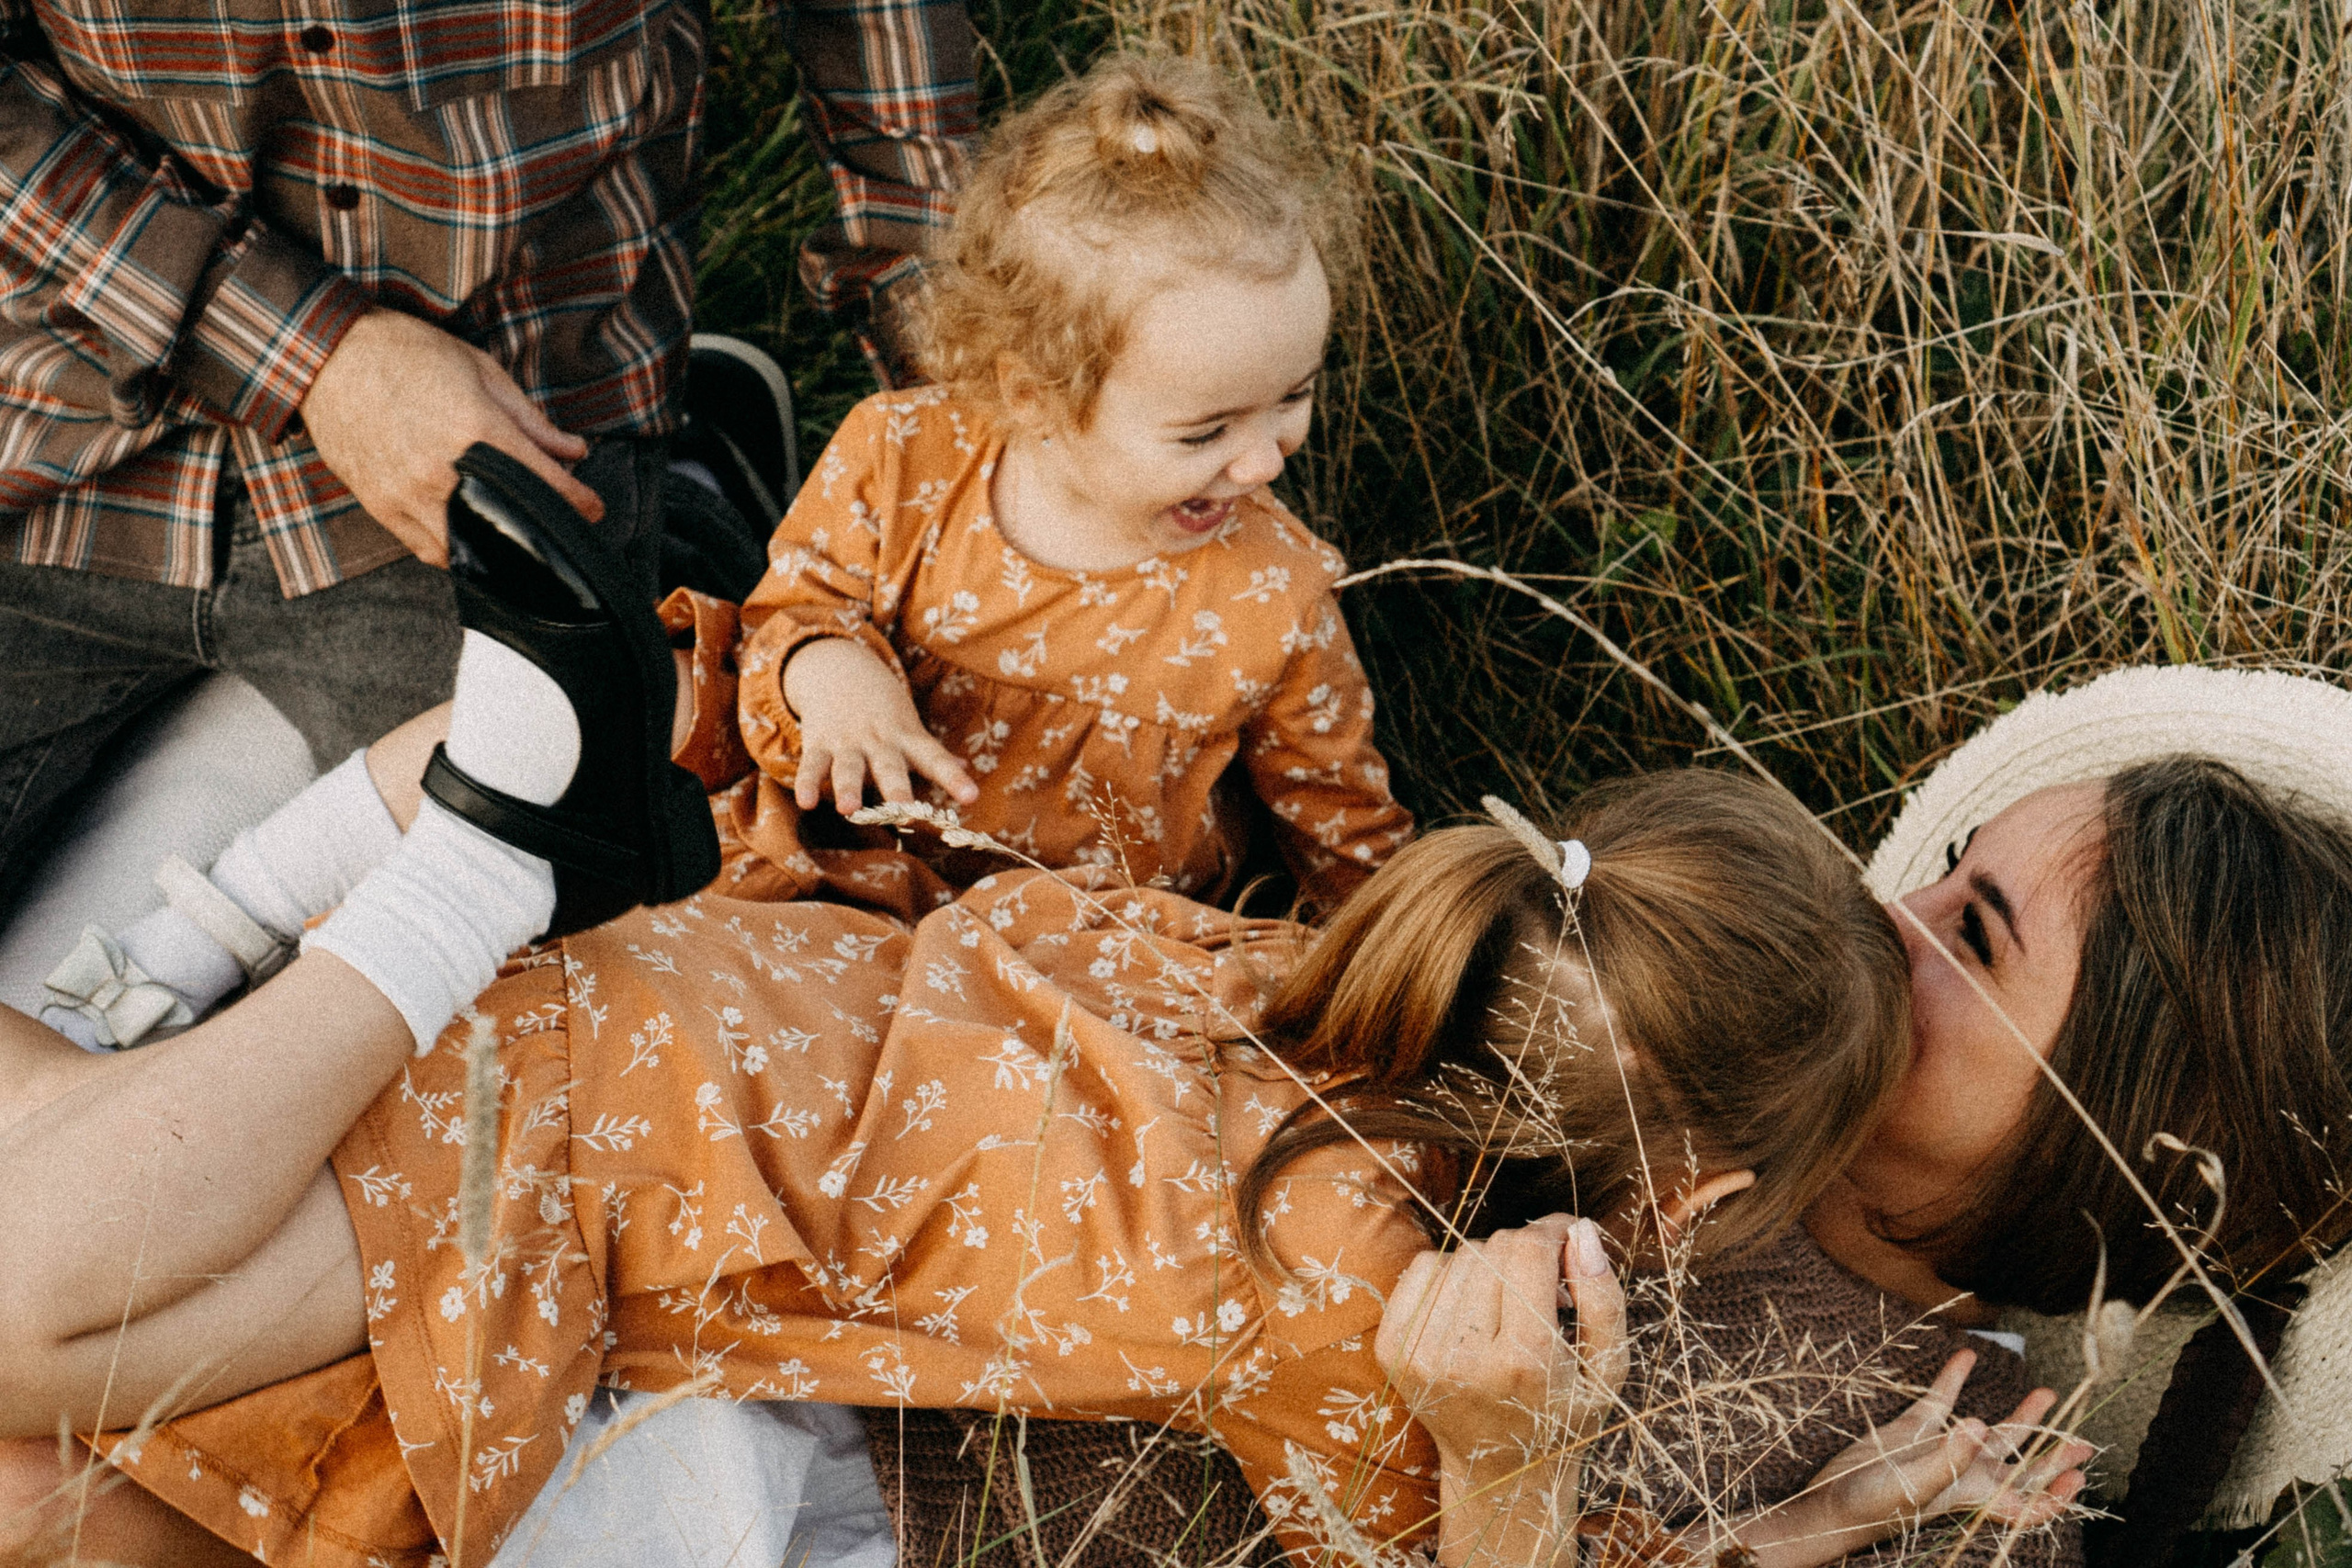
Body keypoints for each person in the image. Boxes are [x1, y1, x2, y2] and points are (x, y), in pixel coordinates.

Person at [0, 526, 2078, 1565]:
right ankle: (457, 862)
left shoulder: (1272, 962)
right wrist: (1639, 1491)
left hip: (674, 992)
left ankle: (232, 936)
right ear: (1698, 1187)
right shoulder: (1349, 1283)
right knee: (28, 1314)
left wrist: (1782, 1526)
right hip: (592, 1189)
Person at [0, 0, 975, 910]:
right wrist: (315, 358)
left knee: (539, 945)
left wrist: (980, 427)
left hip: (504, 440)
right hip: (67, 418)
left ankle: (701, 572)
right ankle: (687, 531)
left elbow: (888, 63)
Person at [711, 52, 1416, 911]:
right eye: (1205, 431)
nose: (1266, 461)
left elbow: (1343, 828)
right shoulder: (902, 458)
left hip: (1098, 950)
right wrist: (826, 668)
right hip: (856, 883)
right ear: (1033, 396)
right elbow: (793, 606)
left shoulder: (1272, 597)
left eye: (1294, 396)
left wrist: (1403, 966)